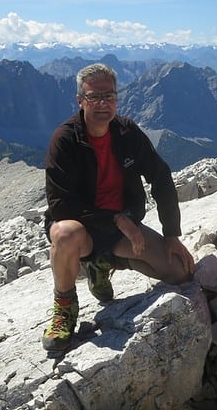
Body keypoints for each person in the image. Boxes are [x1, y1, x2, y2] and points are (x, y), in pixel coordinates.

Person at [42, 63, 195, 352]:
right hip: (83, 231)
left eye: (109, 96)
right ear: (80, 101)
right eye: (94, 97)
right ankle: (64, 308)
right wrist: (116, 220)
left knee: (180, 272)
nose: (103, 104)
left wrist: (172, 235)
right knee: (63, 234)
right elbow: (60, 205)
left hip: (119, 232)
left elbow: (161, 177)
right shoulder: (65, 140)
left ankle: (104, 264)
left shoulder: (126, 133)